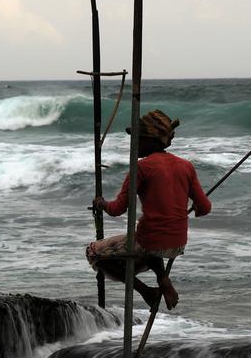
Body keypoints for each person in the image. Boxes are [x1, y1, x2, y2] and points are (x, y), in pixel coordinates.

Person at [86, 109, 211, 310]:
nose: (134, 144)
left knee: (93, 252)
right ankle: (162, 278)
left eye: (138, 138)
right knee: (147, 240)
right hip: (177, 244)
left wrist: (101, 204)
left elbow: (118, 209)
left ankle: (147, 291)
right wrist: (194, 205)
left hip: (149, 243)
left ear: (150, 139)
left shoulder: (141, 168)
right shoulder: (186, 166)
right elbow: (204, 208)